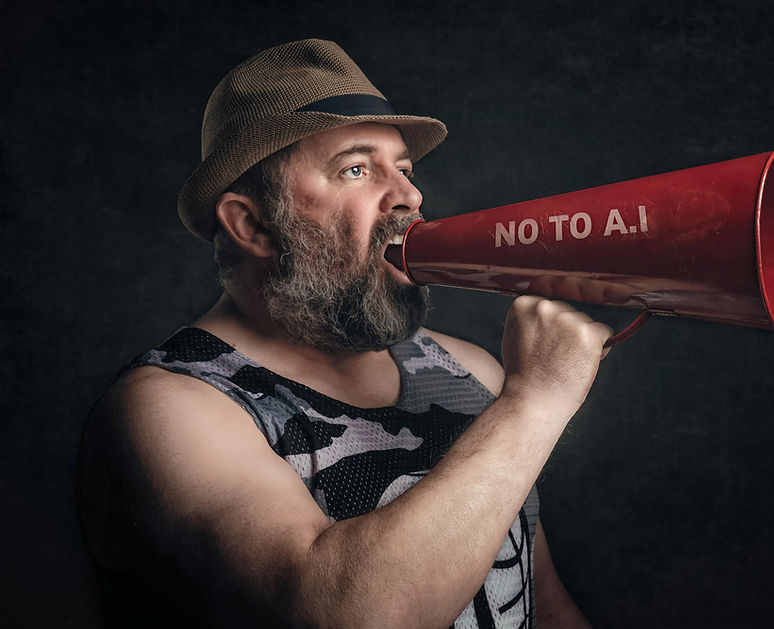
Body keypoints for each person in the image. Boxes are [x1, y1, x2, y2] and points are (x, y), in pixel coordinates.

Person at [78, 39, 611, 629]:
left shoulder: (472, 372)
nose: (410, 196)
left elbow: (545, 609)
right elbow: (346, 617)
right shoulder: (170, 410)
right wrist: (535, 402)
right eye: (356, 169)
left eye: (404, 170)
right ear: (252, 224)